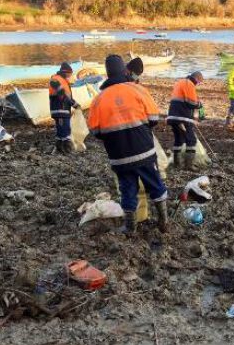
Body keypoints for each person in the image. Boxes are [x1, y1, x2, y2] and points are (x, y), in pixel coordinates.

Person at [87, 55, 169, 234]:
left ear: (107, 74)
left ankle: (130, 227)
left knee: (127, 189)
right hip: (144, 152)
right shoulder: (138, 90)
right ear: (124, 70)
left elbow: (95, 132)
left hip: (119, 157)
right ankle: (164, 221)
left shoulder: (98, 100)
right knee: (155, 185)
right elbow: (154, 119)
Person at [167, 71, 205, 169]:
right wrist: (199, 104)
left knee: (179, 139)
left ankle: (177, 163)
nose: (198, 84)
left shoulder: (180, 82)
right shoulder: (190, 84)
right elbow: (191, 103)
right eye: (199, 82)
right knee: (191, 140)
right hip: (182, 117)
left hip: (172, 116)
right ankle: (189, 165)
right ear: (196, 78)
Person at [49, 62, 79, 154]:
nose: (70, 75)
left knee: (61, 128)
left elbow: (66, 96)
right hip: (60, 109)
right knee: (64, 129)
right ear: (66, 72)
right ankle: (66, 148)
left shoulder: (63, 80)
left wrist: (74, 103)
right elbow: (63, 95)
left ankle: (59, 147)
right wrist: (74, 104)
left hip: (63, 110)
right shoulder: (55, 80)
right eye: (70, 73)